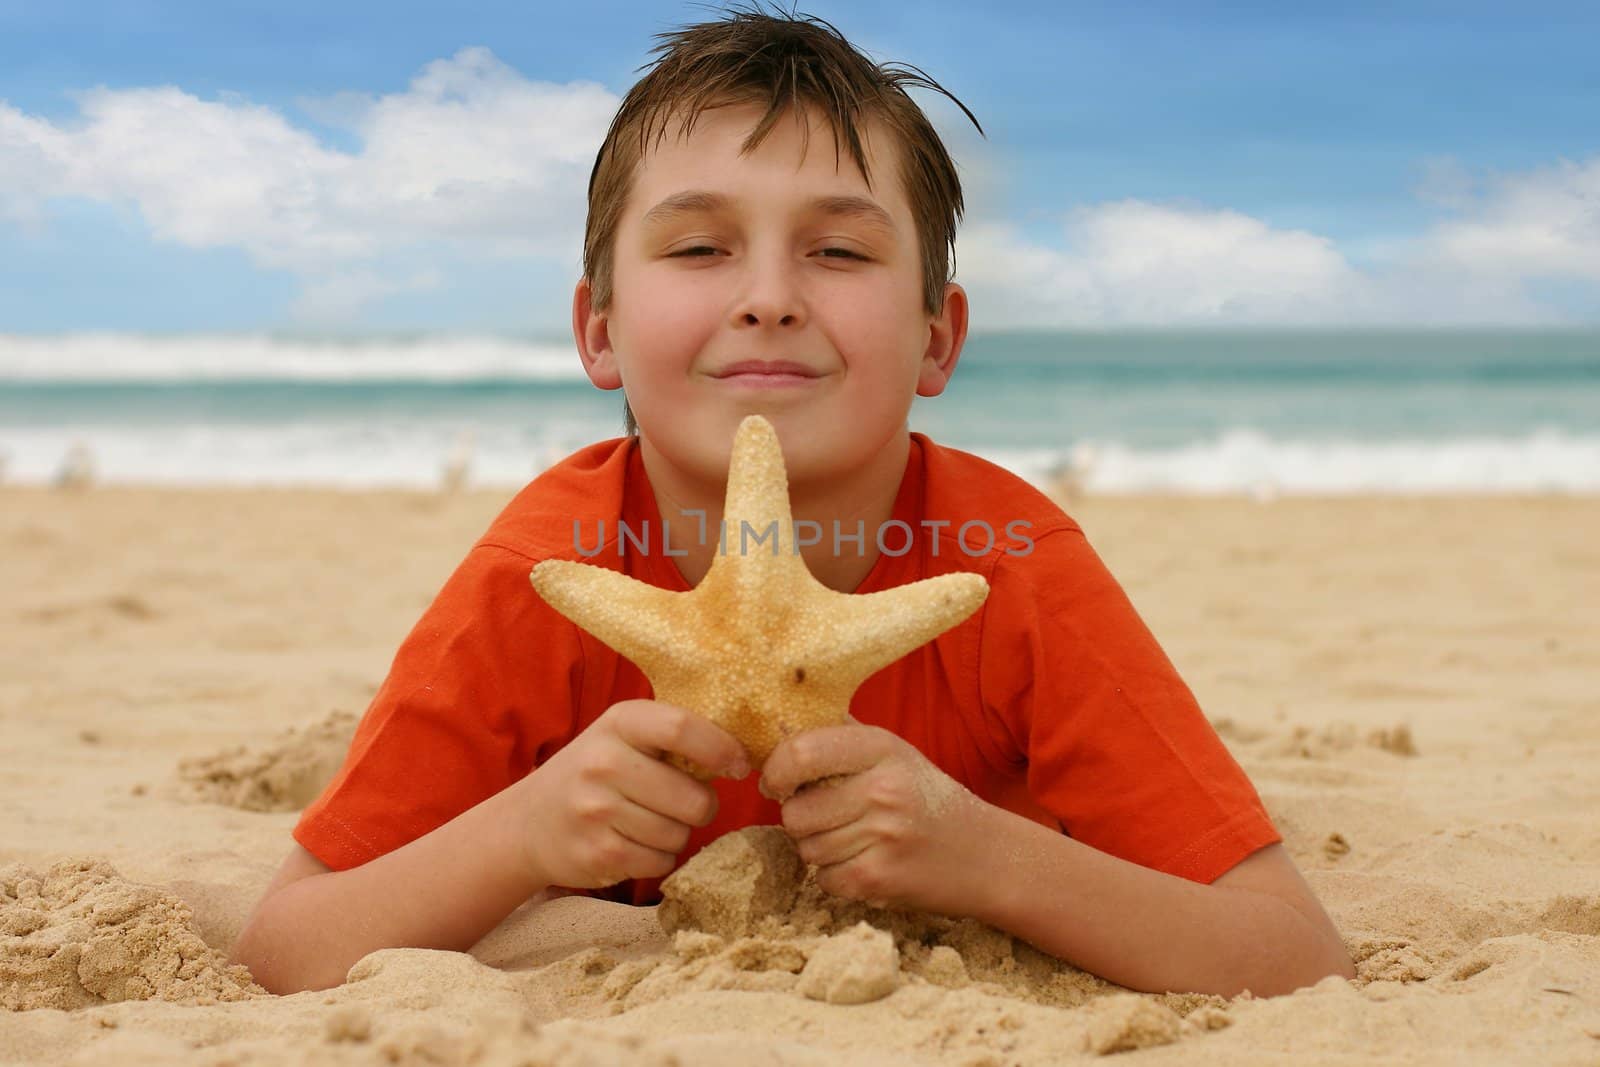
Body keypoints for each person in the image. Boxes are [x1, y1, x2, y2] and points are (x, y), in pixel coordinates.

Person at [231, 4, 1354, 998]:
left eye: (838, 250)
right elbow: (290, 941)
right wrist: (524, 834)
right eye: (700, 245)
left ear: (936, 336)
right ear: (598, 329)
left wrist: (991, 858)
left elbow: (1293, 949)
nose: (768, 297)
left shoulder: (1008, 566)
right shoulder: (545, 572)